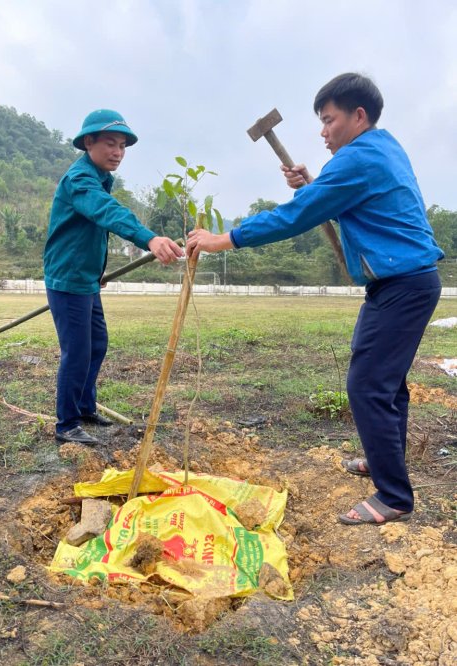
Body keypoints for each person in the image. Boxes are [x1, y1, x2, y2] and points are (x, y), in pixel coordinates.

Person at [186, 73, 444, 526]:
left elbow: (297, 216)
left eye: (329, 120)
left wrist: (222, 239)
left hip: (402, 286)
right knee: (386, 383)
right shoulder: (382, 148)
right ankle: (385, 463)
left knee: (367, 385)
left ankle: (394, 496)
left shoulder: (357, 161)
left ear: (358, 116)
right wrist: (313, 184)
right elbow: (334, 200)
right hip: (401, 284)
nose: (323, 131)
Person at [44, 109, 183, 445]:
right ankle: (66, 425)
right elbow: (106, 212)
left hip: (87, 279)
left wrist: (98, 272)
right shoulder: (80, 180)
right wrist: (148, 237)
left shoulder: (100, 179)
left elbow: (89, 233)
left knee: (98, 344)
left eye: (122, 146)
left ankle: (85, 406)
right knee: (76, 351)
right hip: (68, 281)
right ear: (88, 142)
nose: (117, 152)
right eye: (110, 144)